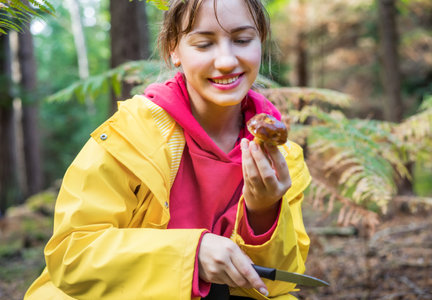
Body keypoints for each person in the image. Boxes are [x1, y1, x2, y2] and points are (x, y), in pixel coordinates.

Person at [24, 0, 311, 299]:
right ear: (174, 49)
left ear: (260, 42)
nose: (226, 61)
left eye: (242, 40)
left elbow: (279, 283)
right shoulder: (130, 134)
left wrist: (263, 210)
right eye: (203, 44)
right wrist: (191, 254)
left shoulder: (282, 156)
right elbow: (72, 255)